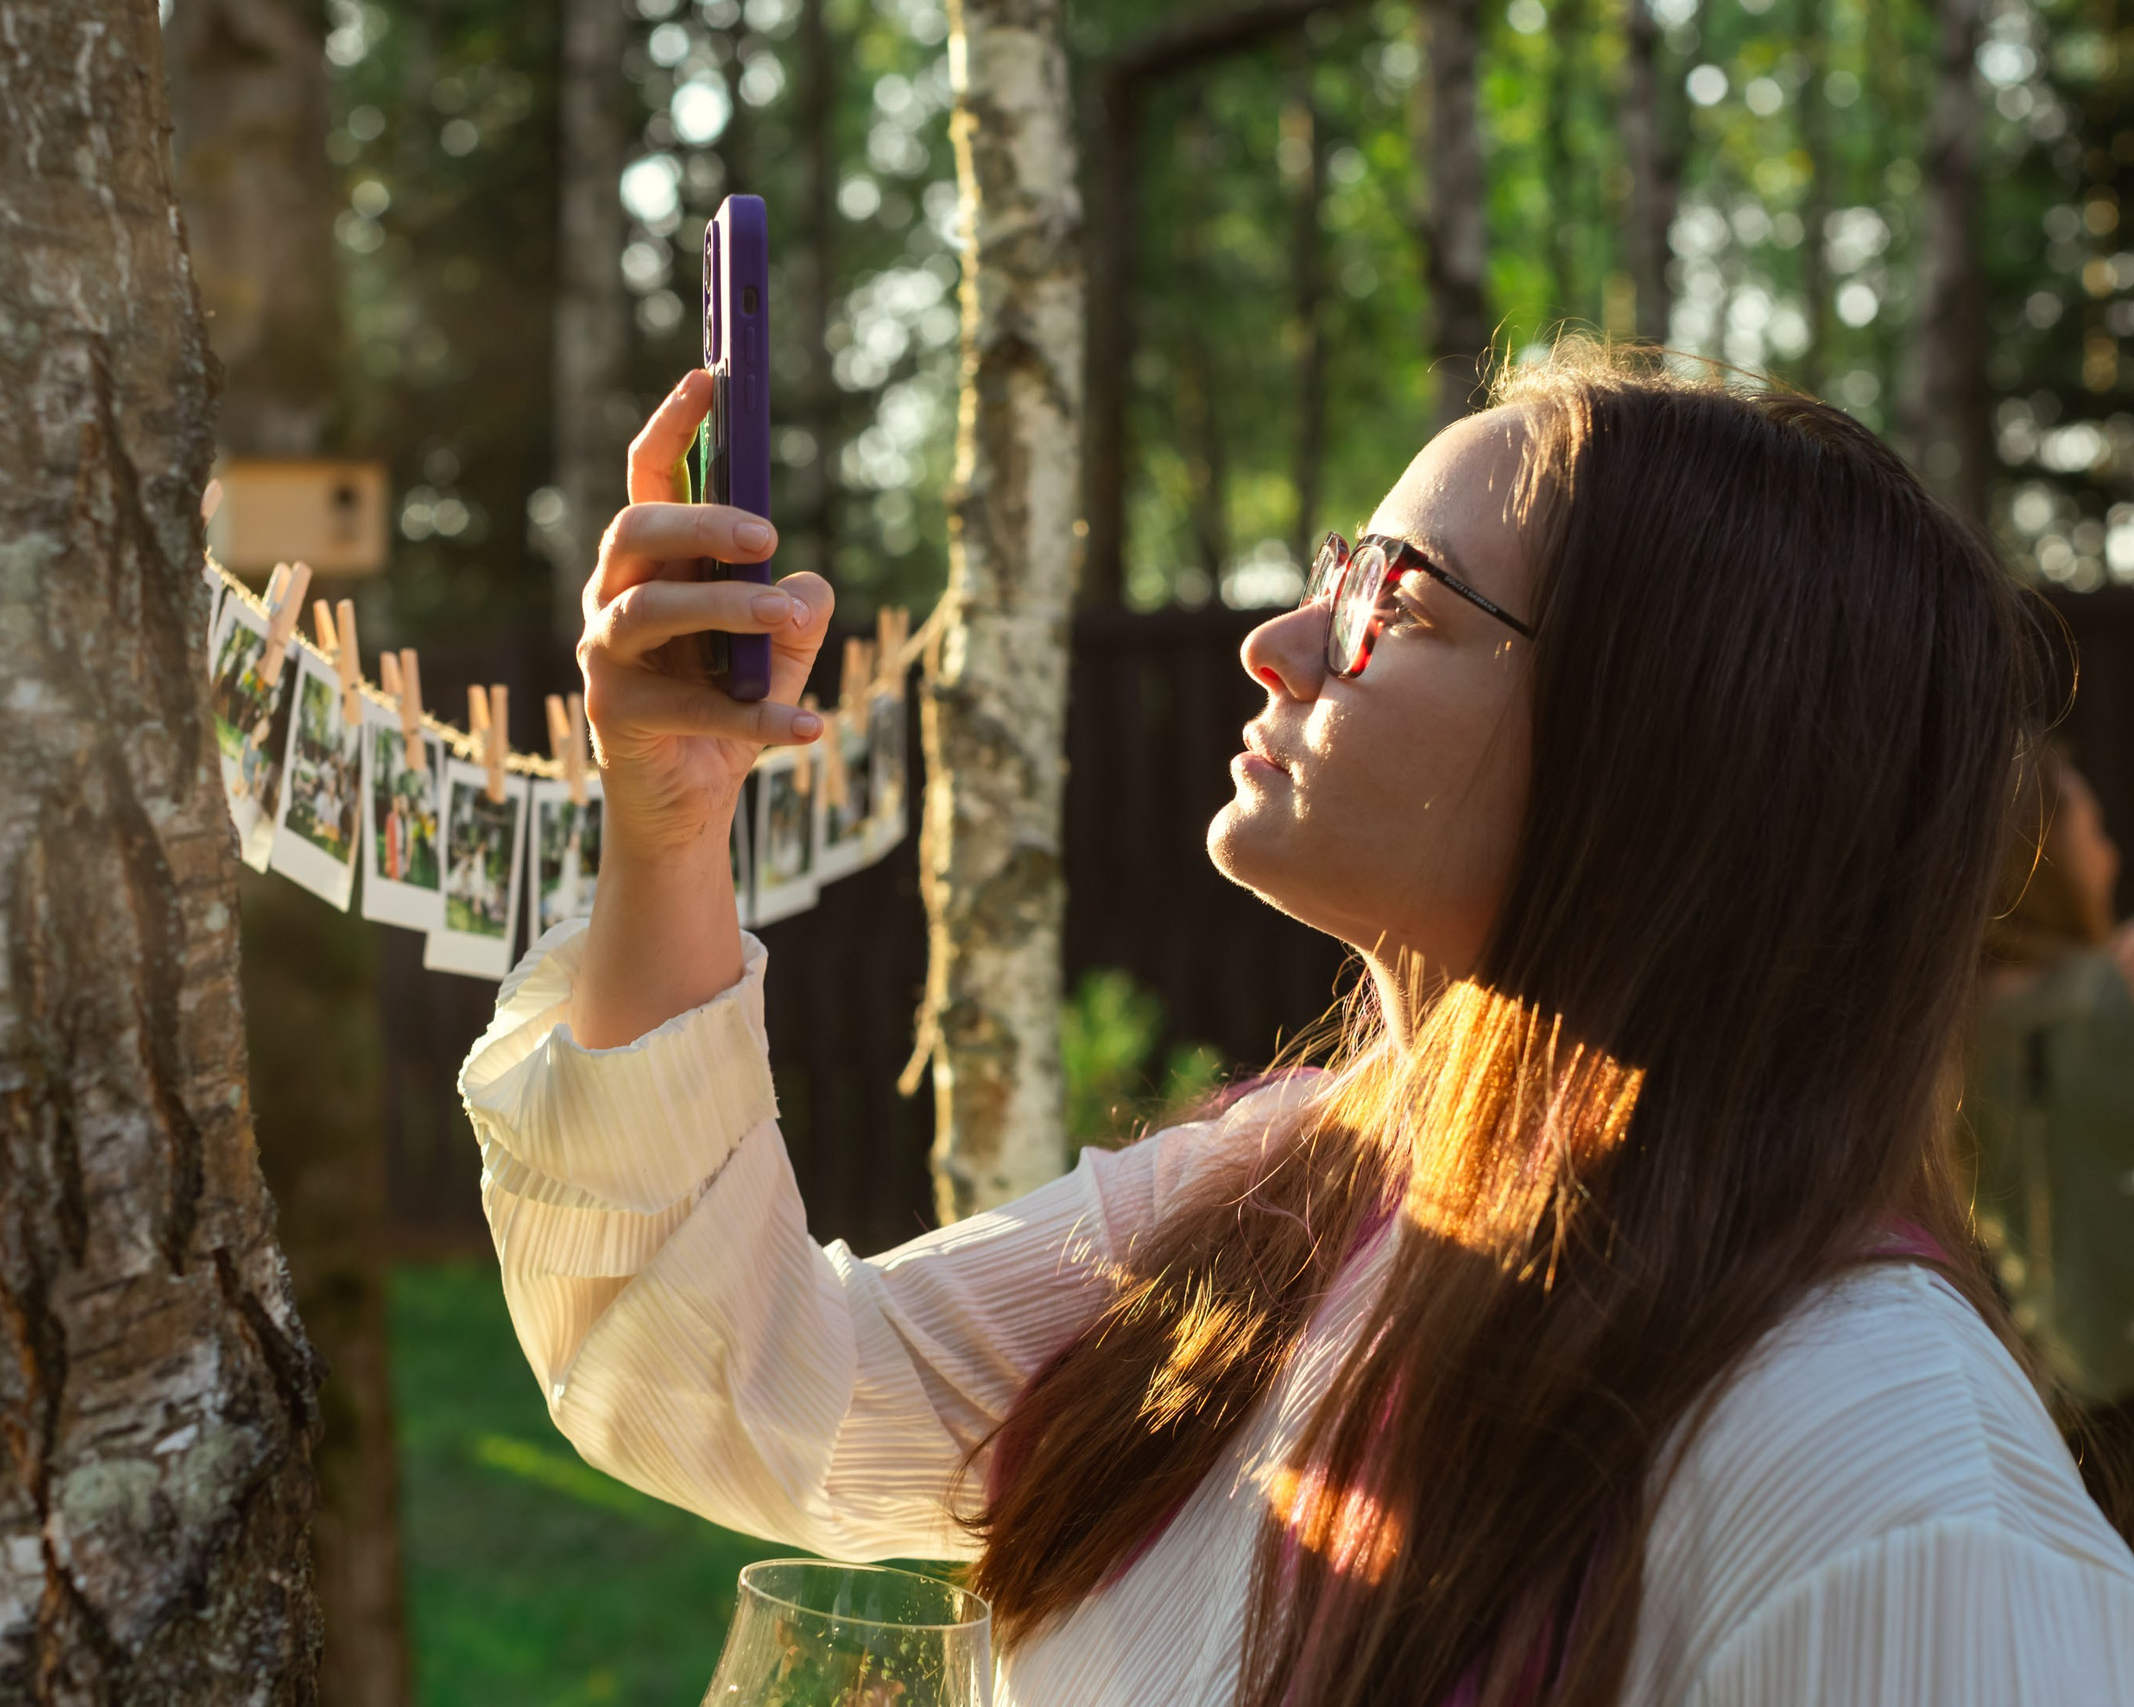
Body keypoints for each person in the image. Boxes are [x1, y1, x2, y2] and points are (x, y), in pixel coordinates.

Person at [461, 345, 2134, 1705]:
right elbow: (742, 1385)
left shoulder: (1891, 1487)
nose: (1275, 647)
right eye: (1340, 572)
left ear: (1669, 749)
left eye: (1395, 600)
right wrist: (671, 824)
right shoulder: (1288, 1201)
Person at [1969, 742, 2134, 1536]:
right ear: (2040, 863)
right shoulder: (2103, 1001)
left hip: (2033, 1406)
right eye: (2092, 833)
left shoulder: (1951, 1037)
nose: (2110, 857)